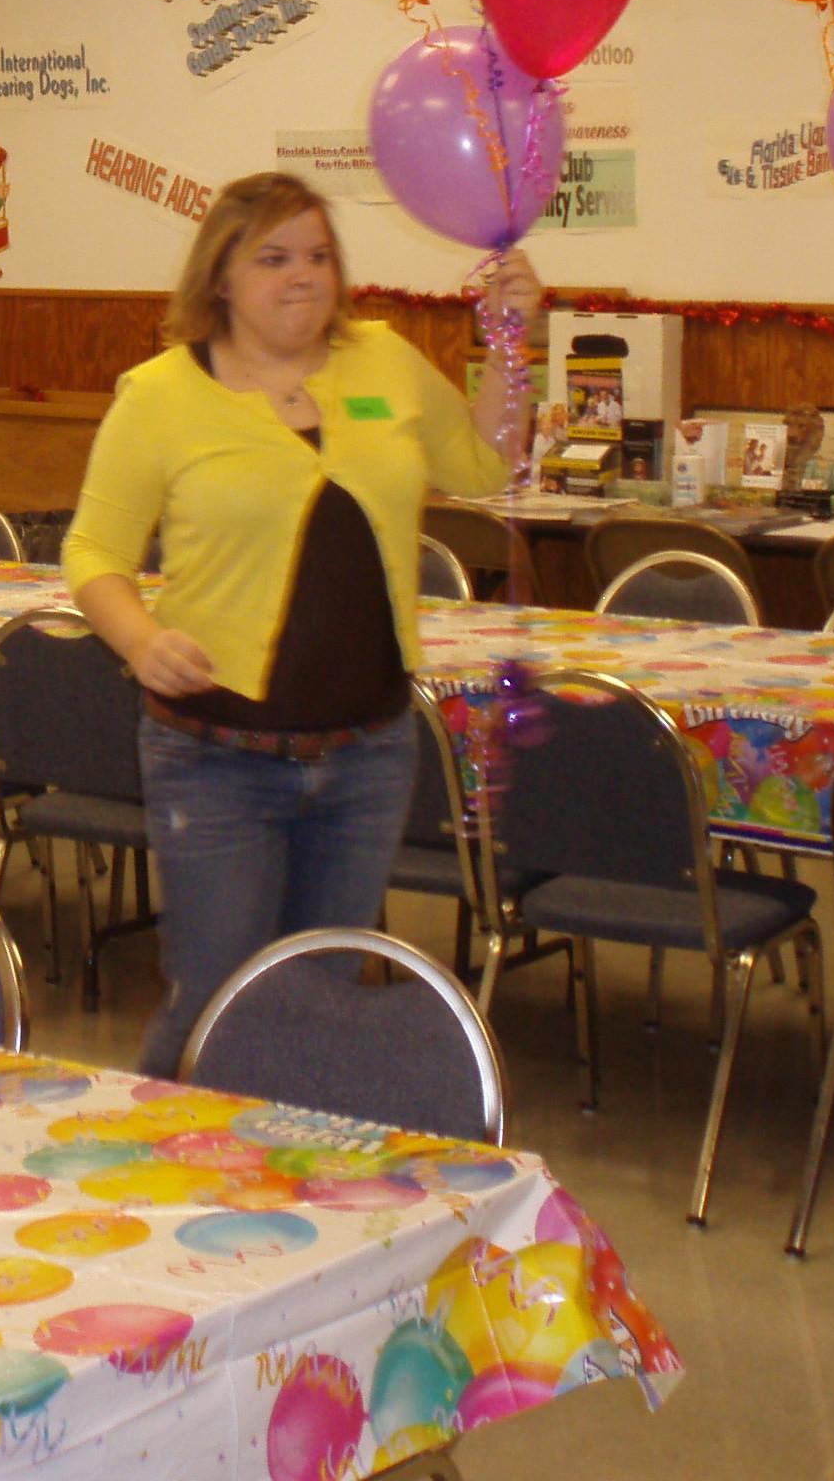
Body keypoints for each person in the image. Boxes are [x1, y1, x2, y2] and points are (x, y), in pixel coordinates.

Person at [63, 171, 533, 1076]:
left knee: (319, 1000)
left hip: (367, 752)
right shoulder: (159, 396)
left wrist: (512, 351)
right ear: (221, 279)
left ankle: (296, 1195)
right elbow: (92, 552)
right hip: (216, 756)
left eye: (318, 257)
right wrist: (140, 639)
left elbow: (481, 466)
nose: (303, 277)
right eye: (274, 258)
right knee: (213, 1000)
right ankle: (161, 1173)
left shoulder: (385, 361)